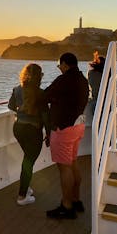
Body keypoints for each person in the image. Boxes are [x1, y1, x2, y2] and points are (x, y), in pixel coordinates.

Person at [44, 52, 89, 219]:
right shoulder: (83, 80)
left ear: (64, 64)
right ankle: (76, 200)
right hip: (78, 126)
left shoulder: (64, 80)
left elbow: (45, 96)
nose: (59, 69)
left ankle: (66, 206)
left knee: (64, 168)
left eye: (59, 66)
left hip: (64, 129)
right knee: (73, 162)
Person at [7, 63, 49, 206]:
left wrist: (21, 108)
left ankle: (25, 187)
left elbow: (11, 106)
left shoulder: (17, 89)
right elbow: (45, 116)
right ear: (39, 76)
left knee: (27, 160)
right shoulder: (41, 93)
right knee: (28, 162)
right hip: (33, 130)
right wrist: (49, 134)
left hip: (18, 128)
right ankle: (22, 196)